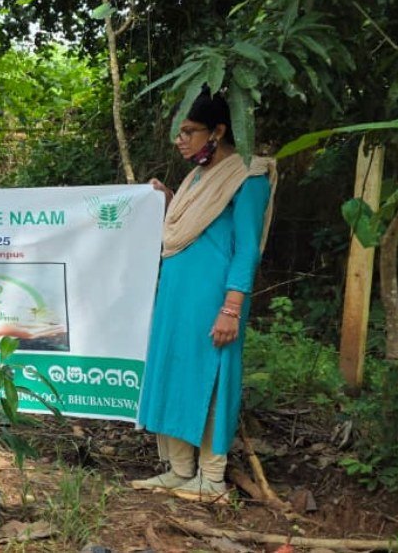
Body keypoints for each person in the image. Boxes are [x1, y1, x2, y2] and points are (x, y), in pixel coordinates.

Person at [133, 91, 277, 500]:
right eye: (178, 133)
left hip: (215, 300)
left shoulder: (248, 177)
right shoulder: (197, 175)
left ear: (218, 131)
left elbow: (246, 247)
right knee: (173, 370)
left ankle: (211, 479)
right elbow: (198, 226)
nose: (180, 141)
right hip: (176, 296)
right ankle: (181, 470)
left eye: (189, 132)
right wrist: (168, 201)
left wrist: (231, 308)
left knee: (212, 378)